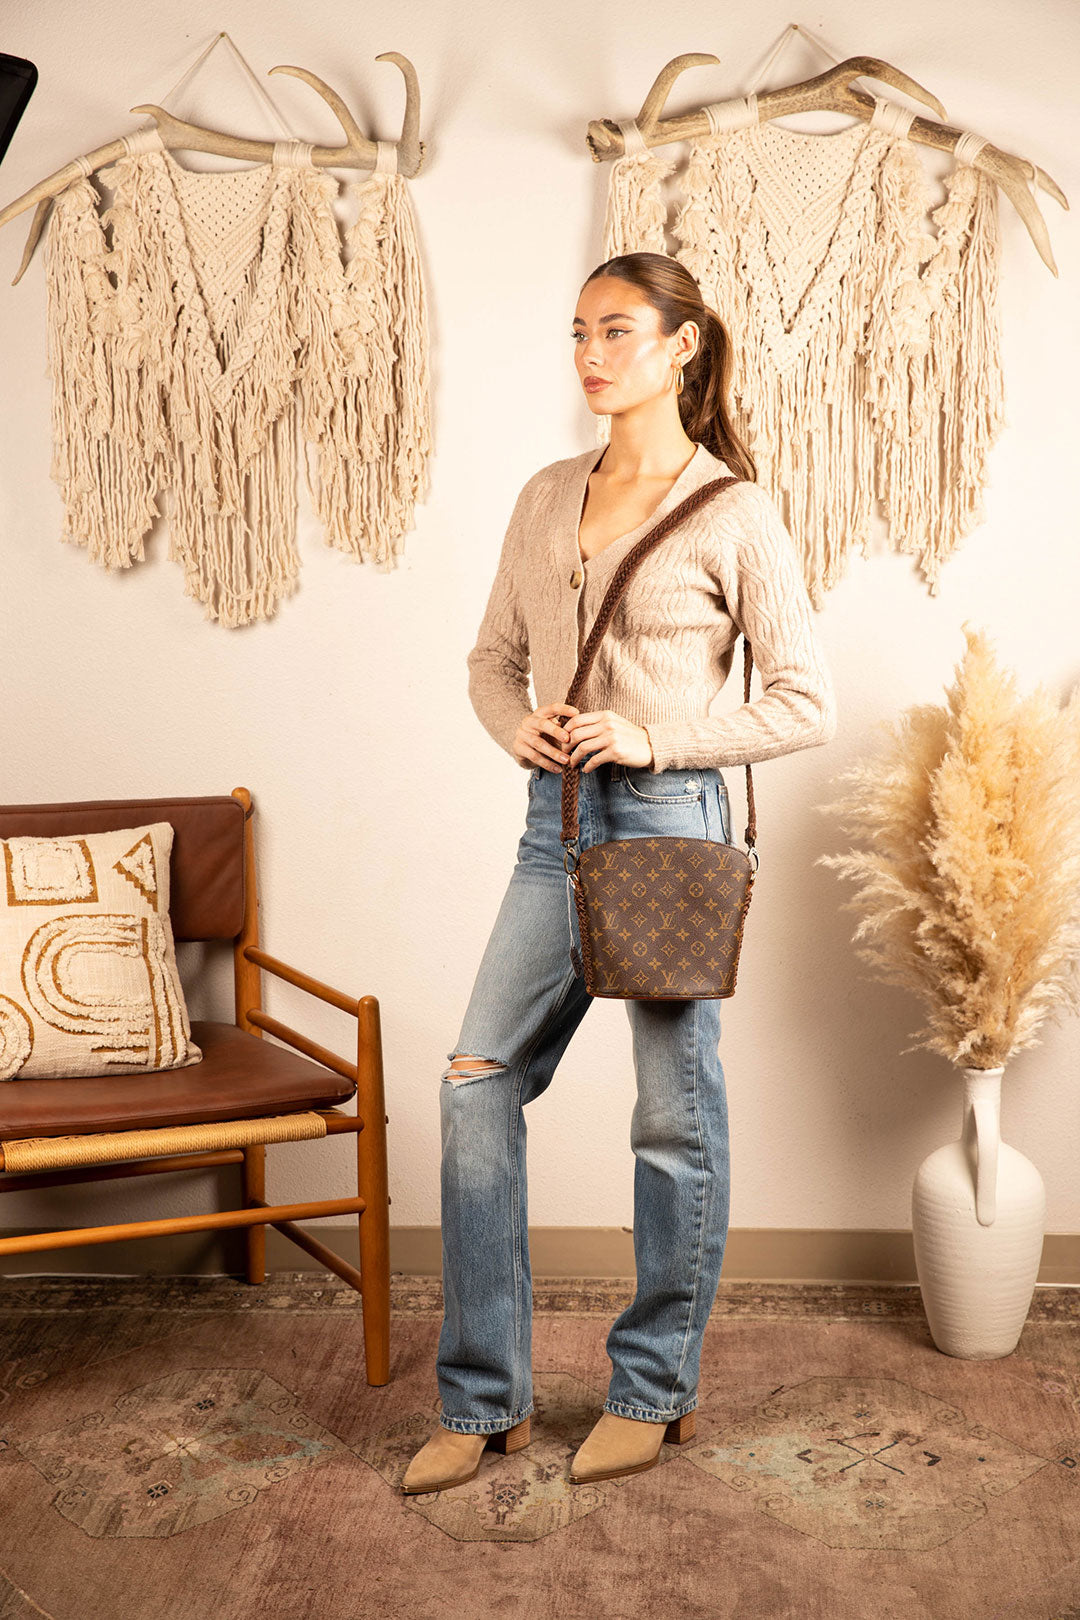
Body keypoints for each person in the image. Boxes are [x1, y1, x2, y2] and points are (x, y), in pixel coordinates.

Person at [402, 251, 837, 1496]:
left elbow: (806, 699)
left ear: (681, 346)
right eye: (579, 333)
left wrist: (655, 738)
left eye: (617, 331)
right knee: (478, 1081)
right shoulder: (546, 495)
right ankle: (484, 1401)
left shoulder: (735, 512)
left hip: (669, 823)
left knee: (670, 1114)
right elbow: (491, 660)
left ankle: (655, 1388)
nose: (591, 354)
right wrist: (520, 727)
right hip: (555, 825)